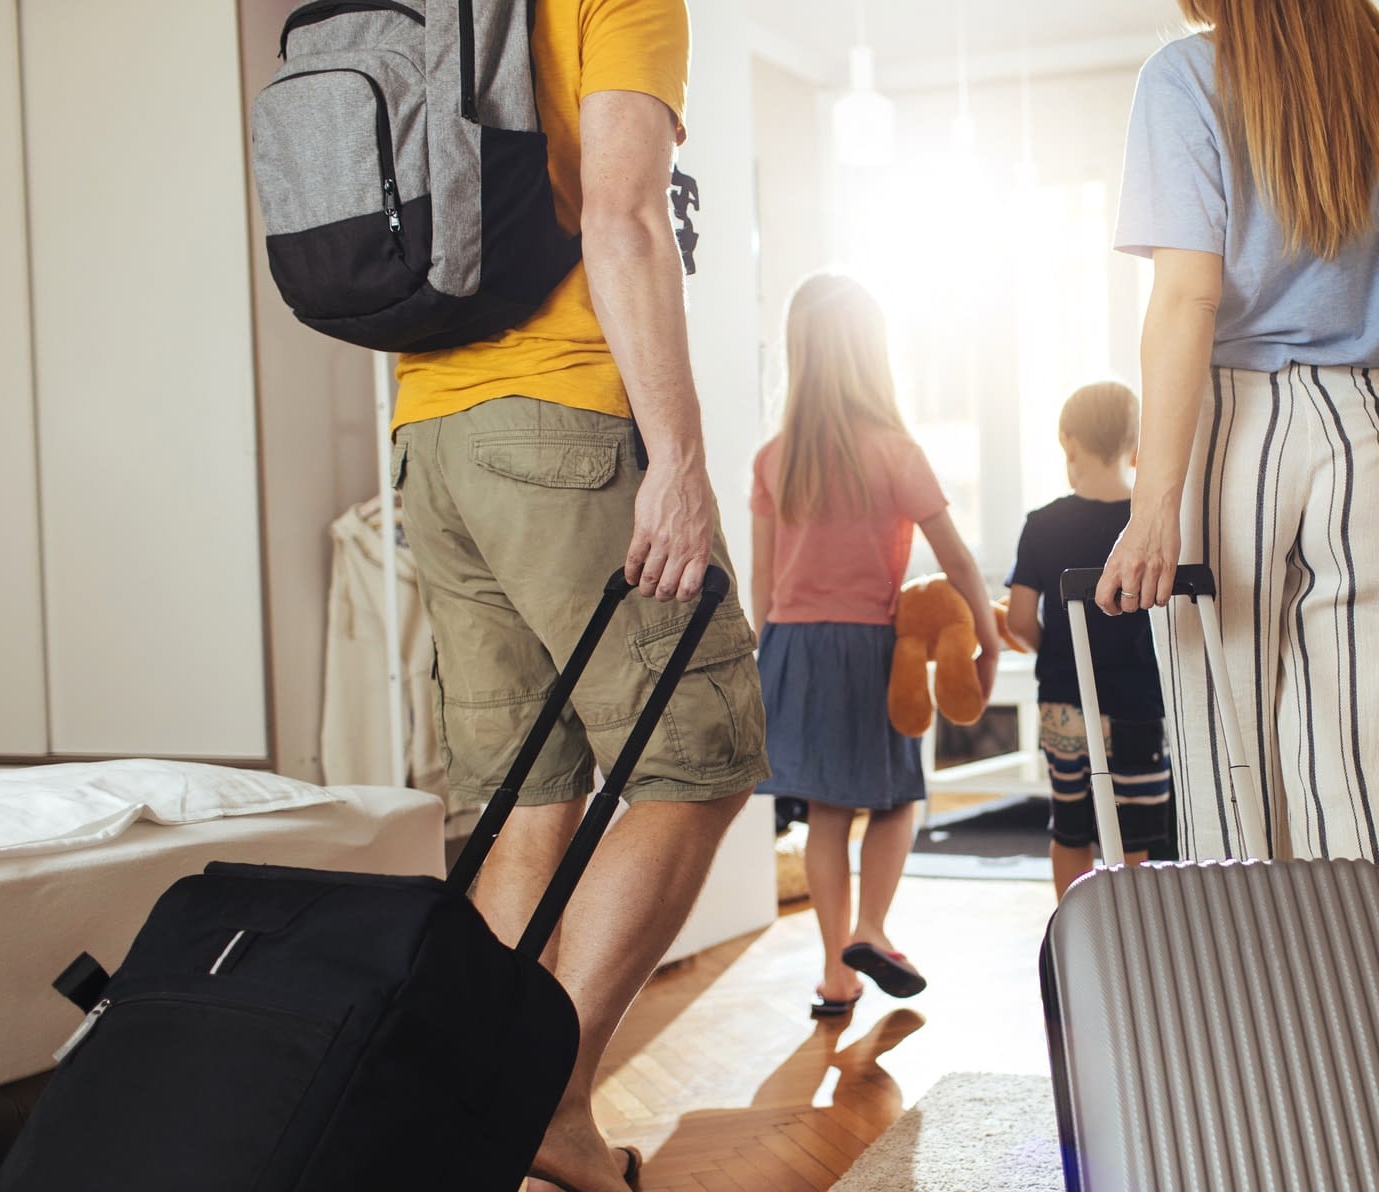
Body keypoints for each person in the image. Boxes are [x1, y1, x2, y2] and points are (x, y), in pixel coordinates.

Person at [1095, 0, 1379, 1180]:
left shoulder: (1186, 77)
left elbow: (1187, 301)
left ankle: (1264, 1146)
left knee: (1234, 811)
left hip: (1234, 438)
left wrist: (1156, 501)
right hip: (1376, 428)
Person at [390, 3, 766, 1190]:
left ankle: (480, 1131)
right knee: (702, 747)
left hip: (429, 434)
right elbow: (622, 211)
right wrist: (683, 461)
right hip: (563, 423)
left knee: (524, 797)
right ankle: (544, 1101)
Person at [750, 273, 1001, 1019]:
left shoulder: (773, 458)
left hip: (792, 650)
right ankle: (872, 928)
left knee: (827, 814)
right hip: (869, 649)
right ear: (871, 354)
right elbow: (954, 559)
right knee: (896, 800)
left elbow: (761, 589)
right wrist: (985, 629)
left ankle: (835, 975)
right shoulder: (895, 451)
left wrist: (765, 672)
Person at [1004, 382, 1174, 898]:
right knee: (1136, 837)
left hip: (1064, 702)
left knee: (1070, 825)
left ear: (1068, 444)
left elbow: (1016, 619)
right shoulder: (1148, 528)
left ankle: (1078, 934)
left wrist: (1051, 651)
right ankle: (1136, 935)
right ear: (1138, 450)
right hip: (1136, 705)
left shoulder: (1041, 525)